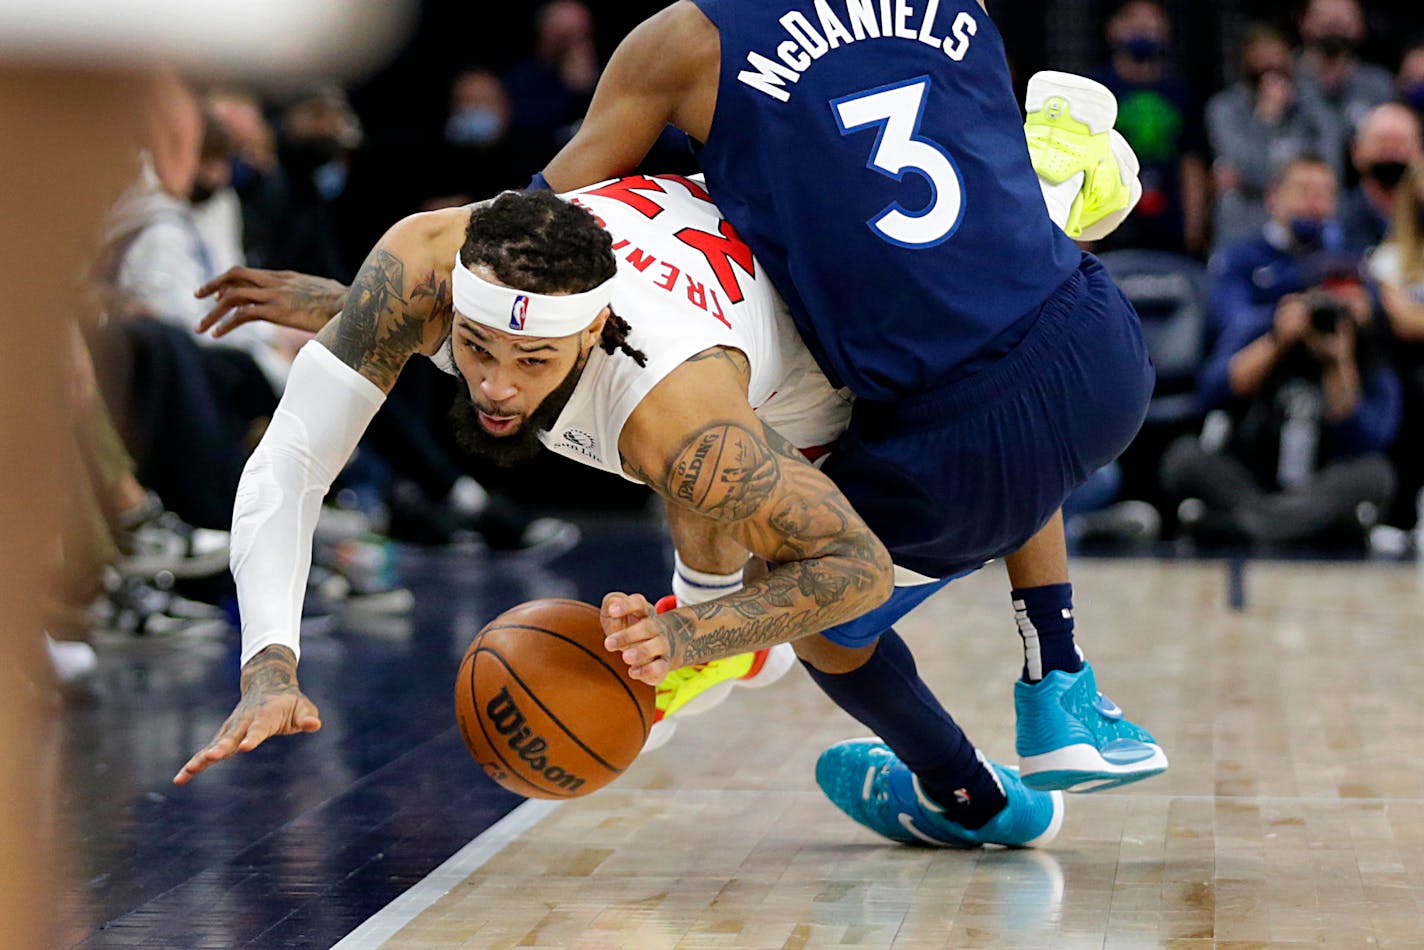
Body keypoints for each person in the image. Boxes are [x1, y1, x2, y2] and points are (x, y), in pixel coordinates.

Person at [531, 0, 1166, 838]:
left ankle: (963, 795)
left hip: (954, 436)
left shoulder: (685, 42)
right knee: (989, 311)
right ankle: (1058, 678)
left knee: (815, 615)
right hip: (1100, 344)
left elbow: (531, 230)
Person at [1163, 155, 1399, 547]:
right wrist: (1279, 333)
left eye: (1325, 195)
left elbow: (1370, 431)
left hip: (1327, 463)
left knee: (1377, 474)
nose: (1315, 204)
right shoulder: (1243, 263)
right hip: (1252, 460)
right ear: (1274, 198)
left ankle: (1248, 526)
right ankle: (1303, 522)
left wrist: (1339, 355)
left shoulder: (1355, 272)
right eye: (1304, 192)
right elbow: (1214, 389)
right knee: (1183, 459)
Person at [1088, 0, 1209, 256]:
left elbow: (1192, 163)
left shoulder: (1181, 93)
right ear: (1112, 28)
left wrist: (1195, 224)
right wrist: (1080, 230)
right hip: (1108, 225)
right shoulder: (1095, 89)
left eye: (1152, 19)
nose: (1143, 26)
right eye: (1132, 18)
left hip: (1169, 223)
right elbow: (1081, 162)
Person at [1207, 24, 1338, 250]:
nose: (1269, 68)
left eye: (1276, 57)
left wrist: (1252, 178)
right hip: (1242, 227)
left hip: (1310, 228)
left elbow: (1330, 167)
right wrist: (1266, 120)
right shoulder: (1224, 109)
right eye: (1260, 58)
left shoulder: (1313, 107)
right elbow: (1243, 164)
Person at [1339, 103, 1423, 253]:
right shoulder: (1336, 217)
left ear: (1419, 153)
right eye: (1382, 142)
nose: (1391, 152)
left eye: (1400, 143)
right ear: (1356, 151)